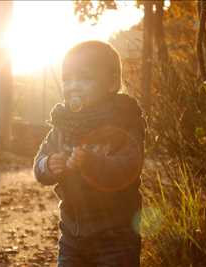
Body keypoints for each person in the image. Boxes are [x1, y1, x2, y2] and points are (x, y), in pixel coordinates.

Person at [33, 40, 145, 267]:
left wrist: (91, 162)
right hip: (73, 235)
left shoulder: (124, 121)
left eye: (84, 78)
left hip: (116, 237)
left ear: (112, 82)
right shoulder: (63, 124)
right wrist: (48, 164)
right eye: (67, 79)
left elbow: (128, 167)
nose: (73, 86)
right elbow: (39, 164)